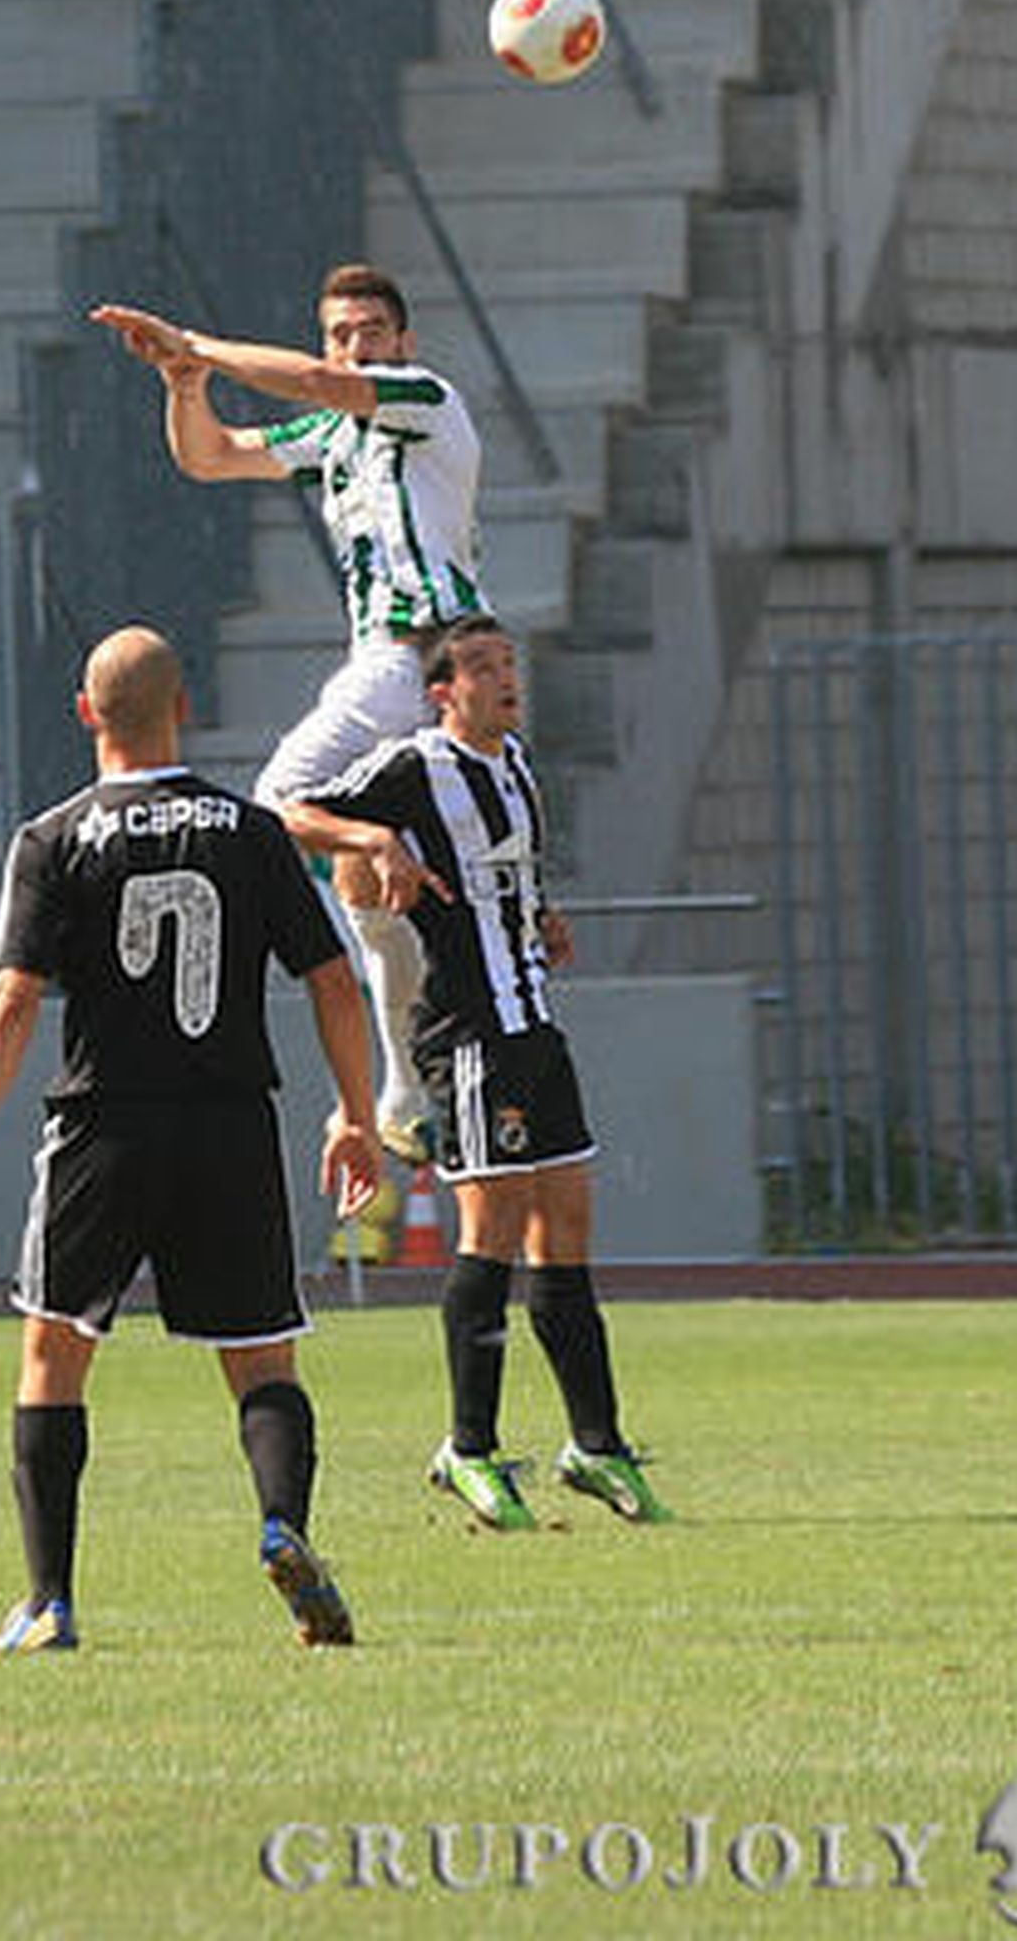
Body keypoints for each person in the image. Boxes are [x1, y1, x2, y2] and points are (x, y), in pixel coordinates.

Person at [0, 624, 381, 1652]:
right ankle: (282, 1526)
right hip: (229, 1123)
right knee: (263, 1360)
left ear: (86, 714)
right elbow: (333, 983)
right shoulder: (253, 832)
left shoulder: (53, 838)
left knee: (53, 1352)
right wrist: (354, 1112)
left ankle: (50, 1601)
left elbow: (12, 1002)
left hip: (105, 1124)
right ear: (187, 706)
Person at [90, 263, 488, 1169]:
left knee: (280, 800)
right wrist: (184, 385)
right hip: (397, 671)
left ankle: (370, 928)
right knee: (371, 895)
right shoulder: (334, 438)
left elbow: (314, 383)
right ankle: (411, 1087)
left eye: (372, 330)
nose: (356, 345)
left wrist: (199, 345)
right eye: (341, 332)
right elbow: (210, 456)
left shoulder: (422, 399)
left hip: (420, 651)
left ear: (404, 343)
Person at [280, 615, 672, 1533]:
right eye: (484, 667)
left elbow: (510, 878)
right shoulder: (415, 766)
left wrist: (546, 914)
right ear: (443, 691)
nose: (507, 679)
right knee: (490, 1225)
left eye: (510, 664)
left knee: (567, 1221)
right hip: (465, 1033)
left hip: (533, 1022)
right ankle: (469, 1447)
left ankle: (596, 1444)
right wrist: (371, 845)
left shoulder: (517, 766)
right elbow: (288, 809)